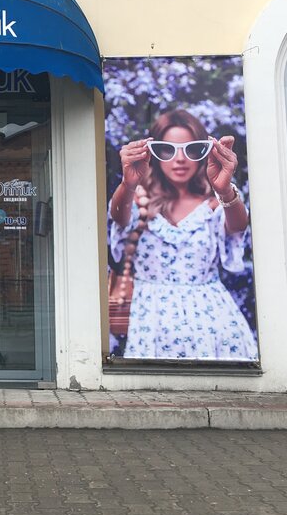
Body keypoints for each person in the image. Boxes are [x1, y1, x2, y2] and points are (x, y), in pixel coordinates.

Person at [108, 108, 257, 360]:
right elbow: (118, 217)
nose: (180, 159)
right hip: (152, 321)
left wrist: (225, 191)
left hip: (213, 324)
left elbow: (238, 226)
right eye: (167, 150)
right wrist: (128, 183)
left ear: (204, 153)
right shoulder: (138, 200)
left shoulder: (214, 204)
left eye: (192, 149)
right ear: (152, 153)